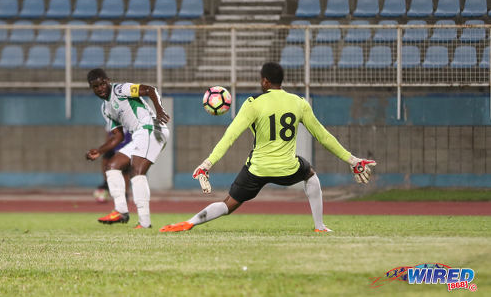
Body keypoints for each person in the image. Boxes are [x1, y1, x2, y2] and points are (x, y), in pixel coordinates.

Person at [159, 62, 376, 233]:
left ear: (264, 82)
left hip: (257, 169)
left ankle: (190, 222)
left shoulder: (253, 103)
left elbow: (230, 136)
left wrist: (207, 163)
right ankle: (320, 226)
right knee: (310, 174)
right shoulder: (299, 103)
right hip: (287, 168)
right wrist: (352, 159)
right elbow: (323, 136)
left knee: (228, 205)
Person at [86, 68, 170, 229]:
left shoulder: (120, 89)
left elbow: (149, 89)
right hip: (140, 134)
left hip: (151, 128)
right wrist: (100, 150)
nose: (100, 88)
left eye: (102, 84)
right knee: (112, 166)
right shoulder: (105, 108)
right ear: (92, 88)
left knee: (136, 171)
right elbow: (118, 137)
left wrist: (159, 110)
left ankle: (144, 223)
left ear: (107, 80)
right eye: (96, 87)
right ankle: (121, 211)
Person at [92, 123, 132, 203]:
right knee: (105, 160)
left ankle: (125, 193)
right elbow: (108, 136)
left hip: (126, 148)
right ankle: (107, 182)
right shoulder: (111, 121)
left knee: (125, 171)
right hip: (114, 147)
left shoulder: (129, 121)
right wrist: (106, 147)